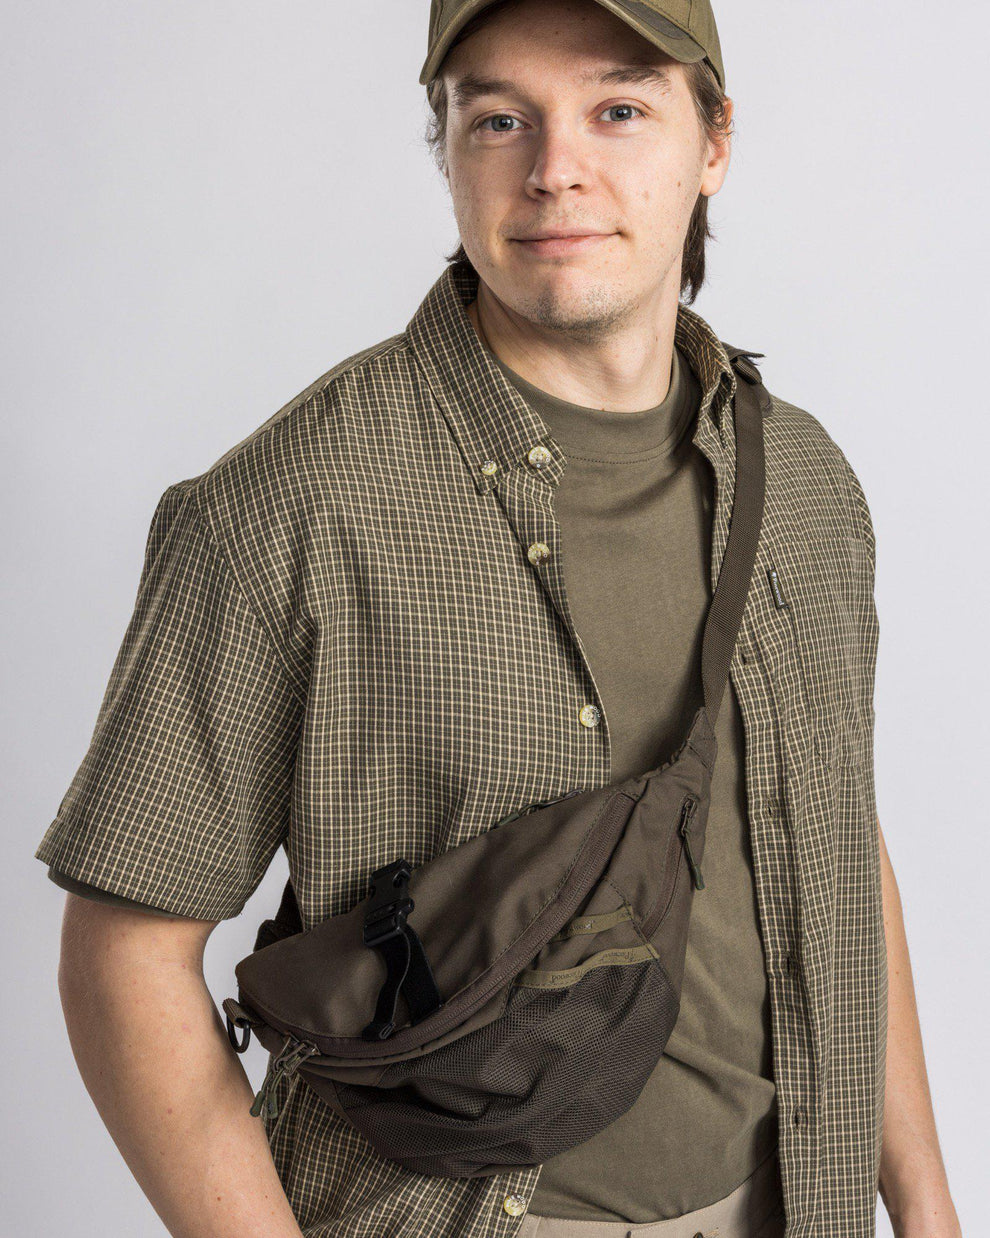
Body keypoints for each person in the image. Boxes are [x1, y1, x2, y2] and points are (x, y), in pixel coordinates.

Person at [35, 1, 961, 1236]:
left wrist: (926, 1202)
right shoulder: (290, 505)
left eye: (618, 109)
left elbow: (834, 839)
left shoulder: (802, 484)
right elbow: (126, 956)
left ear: (715, 143)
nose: (555, 168)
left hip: (794, 1201)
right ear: (449, 146)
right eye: (500, 119)